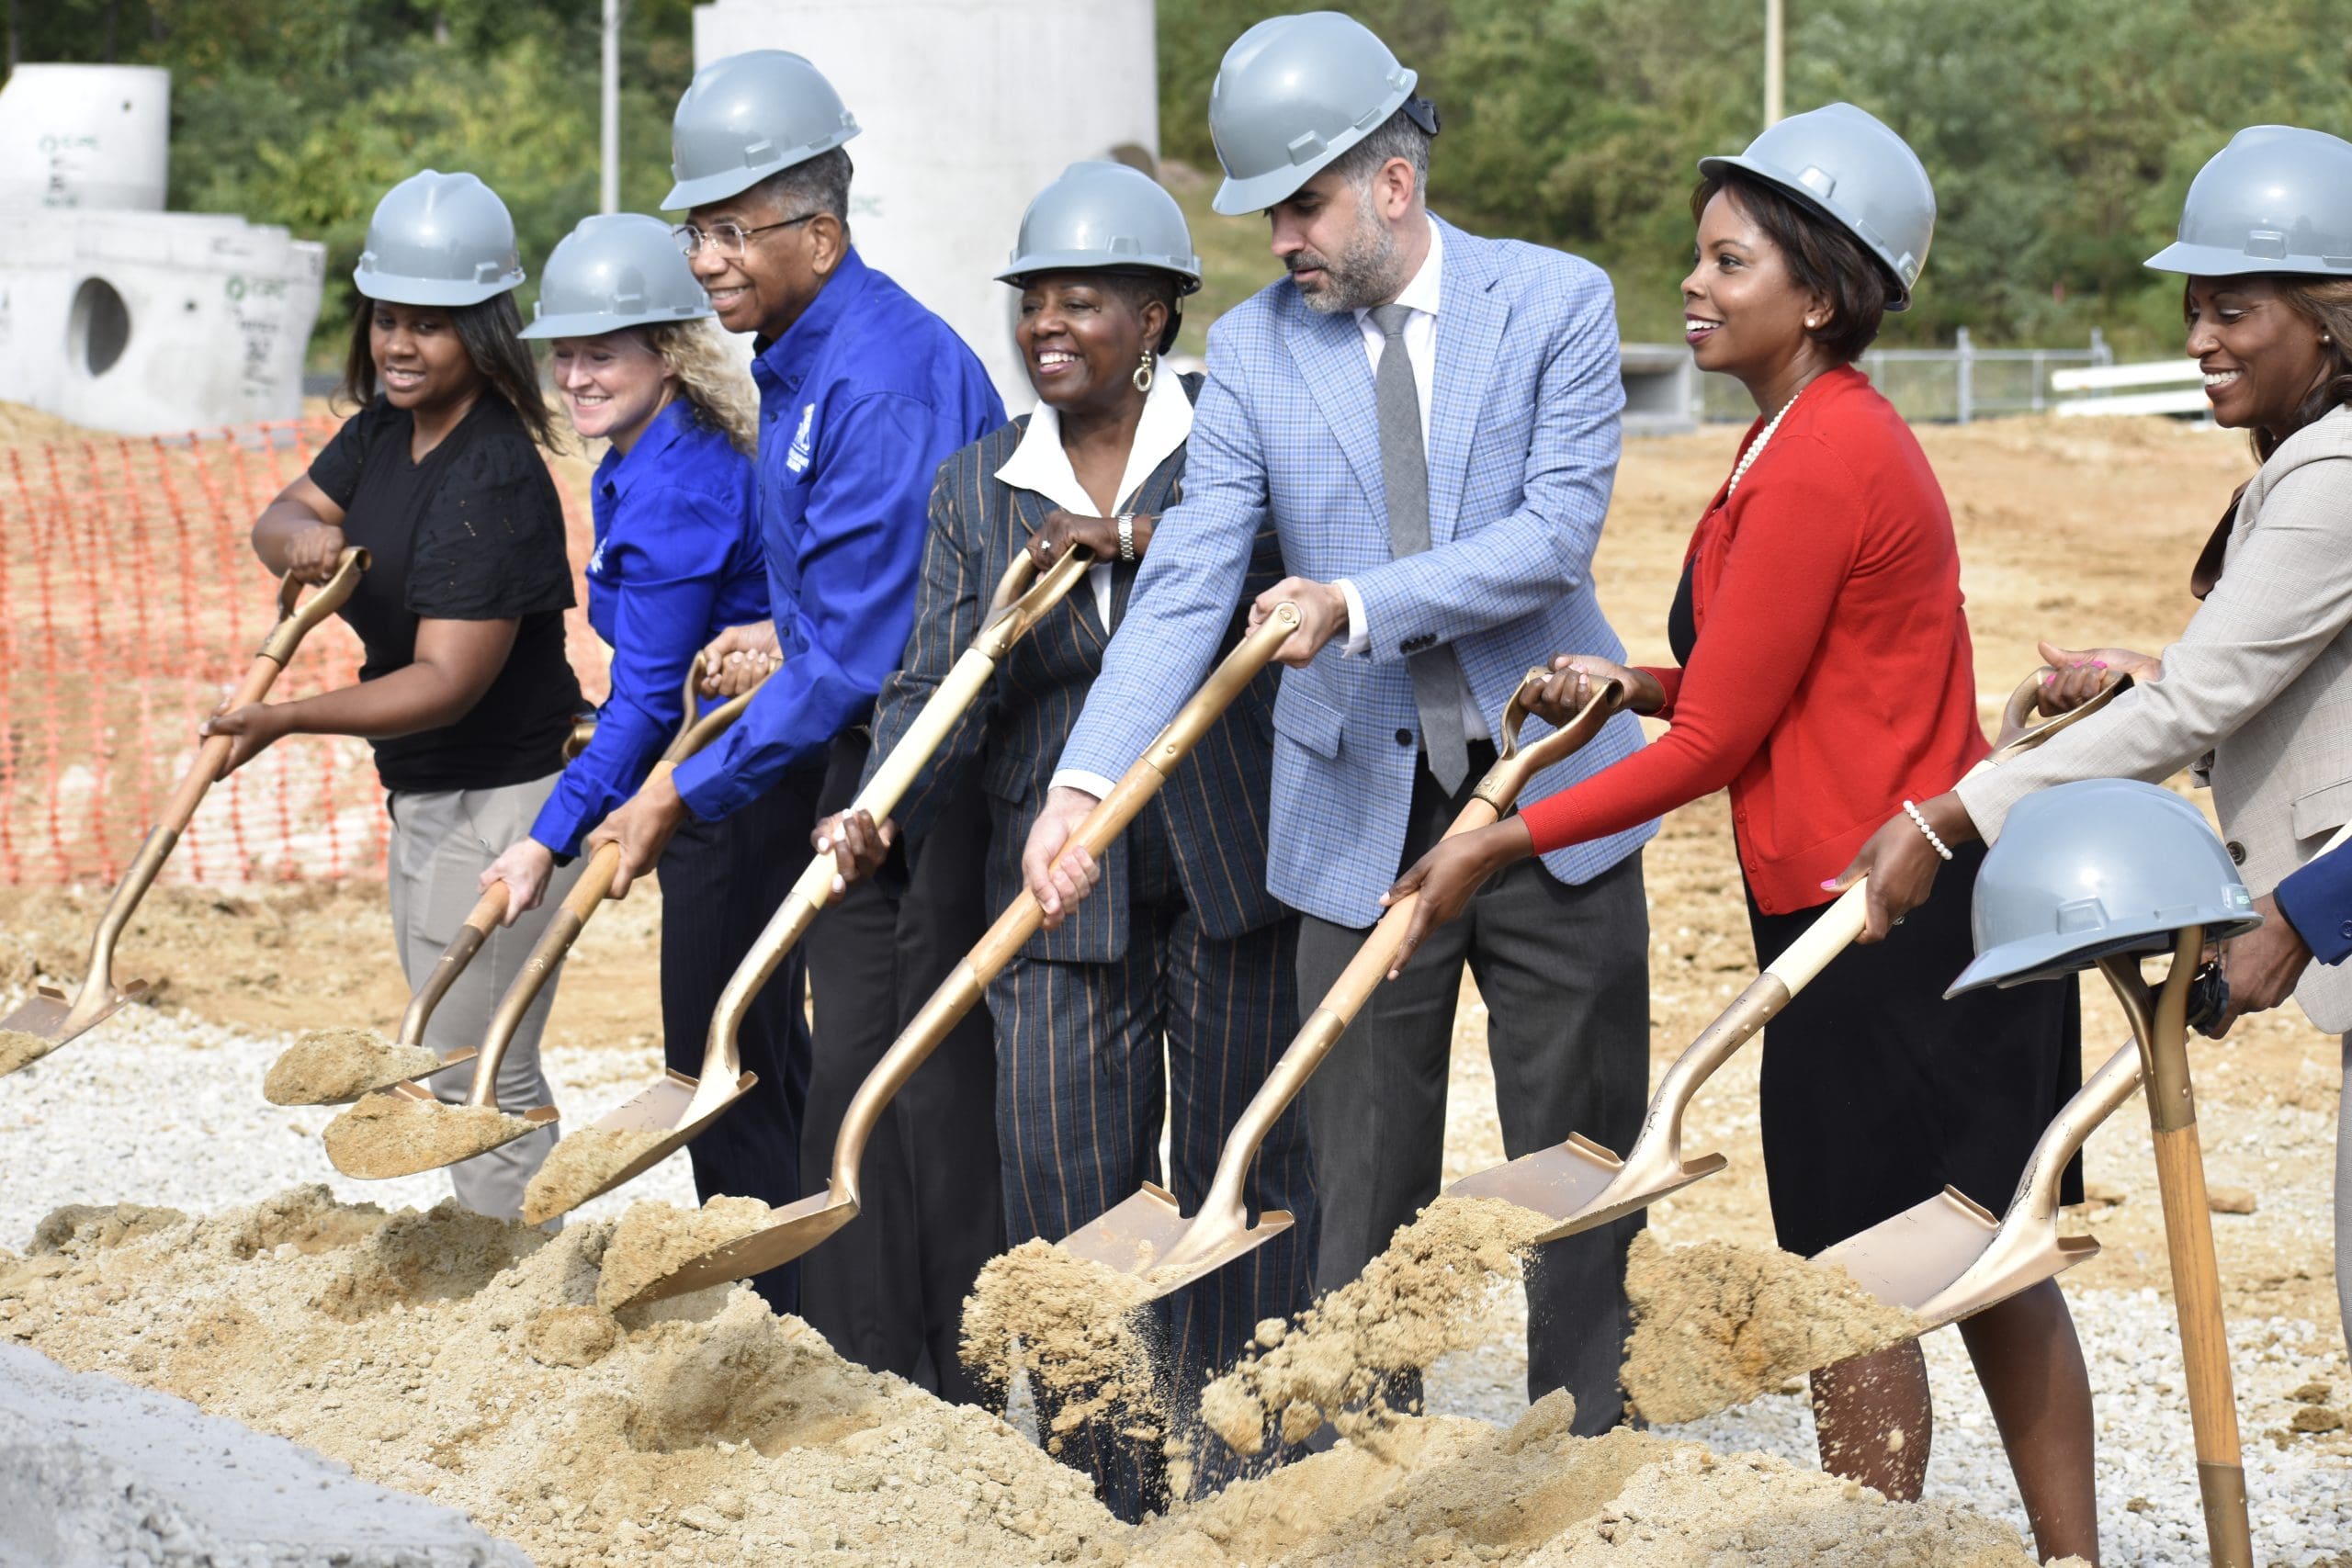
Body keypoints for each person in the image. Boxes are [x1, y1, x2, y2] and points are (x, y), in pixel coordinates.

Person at [1380, 104, 2098, 1562]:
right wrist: (1626, 677)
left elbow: (1716, 746)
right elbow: (1745, 685)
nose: (1692, 286)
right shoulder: (1780, 443)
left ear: (1819, 292)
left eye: (1728, 262)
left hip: (1914, 919)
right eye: (1695, 257)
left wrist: (1488, 846)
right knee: (1873, 1267)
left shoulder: (1831, 451)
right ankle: (1891, 1543)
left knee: (1943, 1265)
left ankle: (2030, 1551)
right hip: (1838, 920)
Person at [1019, 13, 1654, 1434]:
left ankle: (1587, 1448)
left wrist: (1355, 601)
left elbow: (1551, 538)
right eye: (1262, 213)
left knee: (1580, 1158)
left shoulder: (1555, 301)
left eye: (1300, 206)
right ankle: (1368, 1461)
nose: (1278, 242)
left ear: (1392, 184)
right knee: (1354, 1180)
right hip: (1354, 818)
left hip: (1551, 792)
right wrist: (1086, 781)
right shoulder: (1250, 351)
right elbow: (1187, 585)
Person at [815, 161, 1314, 1516]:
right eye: (1033, 300)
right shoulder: (980, 487)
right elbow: (928, 684)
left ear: (1156, 316)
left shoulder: (1237, 431)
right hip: (1052, 896)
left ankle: (1247, 1471)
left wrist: (1133, 537)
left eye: (1083, 300)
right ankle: (1108, 1478)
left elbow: (1276, 584)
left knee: (1241, 1172)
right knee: (1067, 1185)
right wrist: (878, 798)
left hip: (1226, 873)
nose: (1048, 324)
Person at [1839, 123, 2352, 1361]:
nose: (2198, 341)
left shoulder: (2337, 469)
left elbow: (2200, 708)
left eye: (2235, 310)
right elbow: (2235, 673)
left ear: (2333, 319)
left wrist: (1946, 815)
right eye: (2192, 309)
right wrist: (2156, 669)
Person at [584, 51, 1005, 1397]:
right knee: (864, 1077)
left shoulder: (875, 377)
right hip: (862, 758)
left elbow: (867, 651)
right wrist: (780, 633)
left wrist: (677, 796)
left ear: (817, 233)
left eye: (728, 228)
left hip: (926, 779)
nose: (703, 260)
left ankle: (913, 1376)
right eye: (693, 229)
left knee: (895, 1092)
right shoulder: (803, 359)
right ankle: (878, 1357)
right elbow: (834, 600)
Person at [203, 170, 584, 1221]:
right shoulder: (382, 430)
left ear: (484, 330)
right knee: (455, 1053)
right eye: (387, 320)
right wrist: (307, 540)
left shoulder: (494, 470)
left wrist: (280, 721)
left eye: (432, 324)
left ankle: (518, 1277)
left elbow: (447, 684)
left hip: (508, 805)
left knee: (480, 1065)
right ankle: (502, 1263)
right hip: (430, 796)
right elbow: (280, 515)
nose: (400, 345)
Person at [469, 211, 806, 1310]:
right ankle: (799, 1296)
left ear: (666, 349)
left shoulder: (677, 484)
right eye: (564, 352)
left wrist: (542, 840)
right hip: (720, 768)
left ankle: (772, 1311)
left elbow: (647, 699)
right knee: (746, 1042)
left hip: (733, 782)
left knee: (718, 1060)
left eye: (602, 351)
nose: (575, 375)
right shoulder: (651, 452)